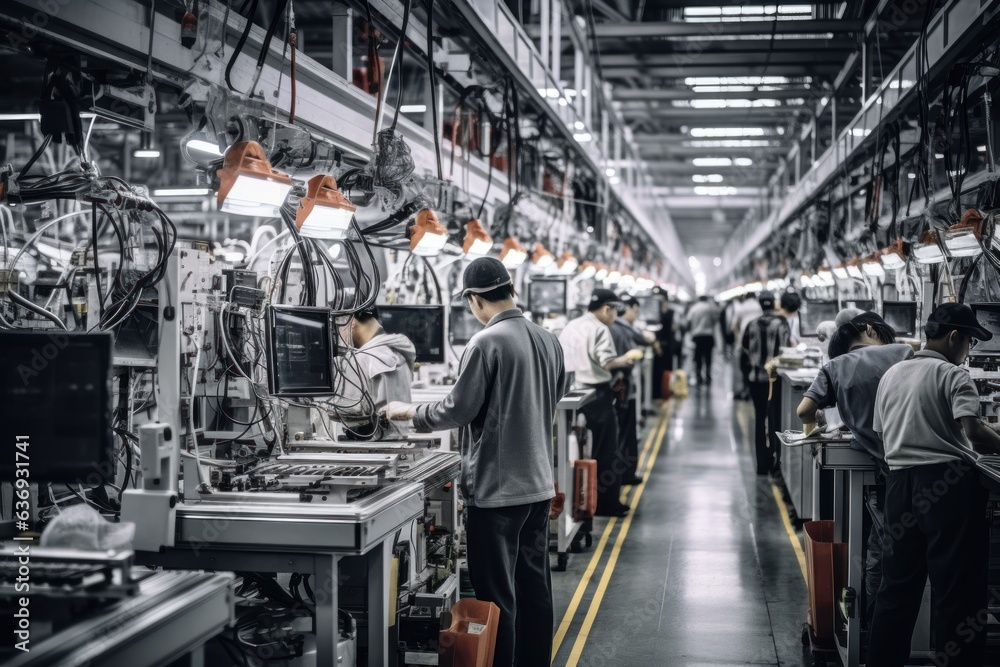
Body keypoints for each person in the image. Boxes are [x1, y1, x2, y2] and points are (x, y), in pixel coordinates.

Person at [384, 257, 565, 667]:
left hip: (497, 495)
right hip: (538, 488)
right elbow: (550, 399)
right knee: (534, 588)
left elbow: (457, 410)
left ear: (474, 300)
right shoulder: (548, 338)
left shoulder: (486, 343)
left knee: (496, 597)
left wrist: (406, 411)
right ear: (510, 291)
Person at [868, 303, 1000, 667]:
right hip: (949, 488)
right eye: (970, 342)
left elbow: (881, 432)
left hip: (899, 487)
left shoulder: (892, 374)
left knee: (896, 589)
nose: (968, 350)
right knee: (956, 593)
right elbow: (974, 432)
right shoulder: (954, 376)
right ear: (955, 337)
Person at [796, 312, 913, 626]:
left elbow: (804, 410)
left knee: (881, 547)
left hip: (886, 469)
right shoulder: (903, 353)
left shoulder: (834, 366)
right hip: (927, 463)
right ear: (873, 330)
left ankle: (871, 630)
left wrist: (817, 428)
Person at [559, 288, 642, 517]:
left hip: (570, 394)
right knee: (606, 449)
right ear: (607, 308)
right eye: (615, 310)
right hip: (596, 394)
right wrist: (628, 357)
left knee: (571, 451)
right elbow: (606, 363)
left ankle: (575, 502)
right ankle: (606, 504)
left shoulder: (570, 326)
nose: (615, 315)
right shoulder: (599, 329)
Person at [740, 291, 790, 475]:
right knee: (775, 419)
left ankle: (762, 464)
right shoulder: (781, 323)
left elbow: (745, 346)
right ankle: (776, 462)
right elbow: (786, 348)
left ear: (760, 305)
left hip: (755, 379)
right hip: (774, 380)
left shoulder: (751, 324)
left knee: (760, 419)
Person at [610, 295, 656, 485]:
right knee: (626, 433)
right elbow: (642, 343)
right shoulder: (622, 329)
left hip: (612, 388)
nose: (635, 315)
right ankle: (626, 474)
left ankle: (619, 475)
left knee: (618, 432)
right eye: (635, 311)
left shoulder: (608, 327)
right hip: (622, 387)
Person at [731, 293, 764, 400]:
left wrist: (738, 338)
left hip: (743, 341)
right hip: (757, 342)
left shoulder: (741, 307)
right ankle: (753, 390)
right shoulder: (759, 307)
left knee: (743, 366)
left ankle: (743, 388)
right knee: (755, 365)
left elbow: (734, 326)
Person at [685, 295, 720, 387]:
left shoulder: (694, 308)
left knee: (698, 358)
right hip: (708, 335)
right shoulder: (710, 308)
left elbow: (688, 321)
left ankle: (698, 376)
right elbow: (715, 320)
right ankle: (708, 377)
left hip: (697, 336)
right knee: (708, 357)